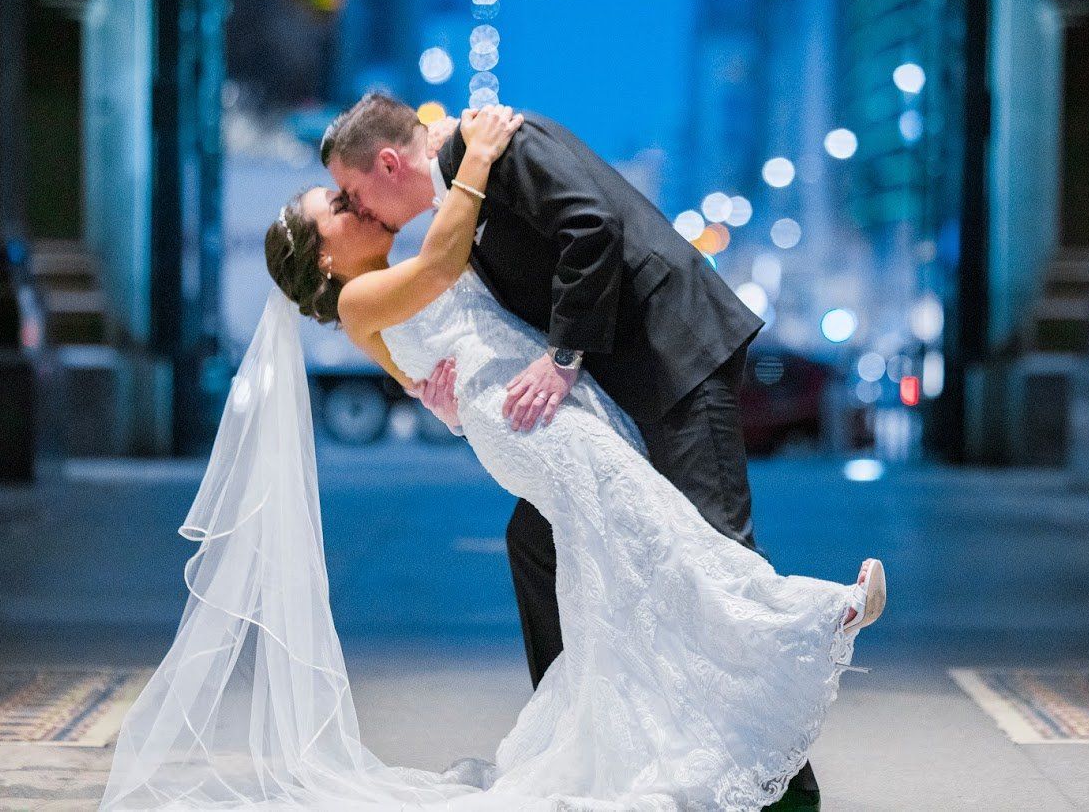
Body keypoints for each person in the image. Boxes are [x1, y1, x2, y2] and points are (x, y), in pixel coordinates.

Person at [99, 104, 886, 811]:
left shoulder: (496, 159)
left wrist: (452, 386)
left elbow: (572, 243)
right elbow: (441, 282)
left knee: (613, 540)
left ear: (386, 165)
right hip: (532, 413)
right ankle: (806, 630)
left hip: (640, 362)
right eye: (338, 210)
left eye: (348, 193)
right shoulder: (390, 267)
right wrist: (469, 164)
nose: (356, 207)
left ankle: (625, 737)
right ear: (324, 258)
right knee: (643, 531)